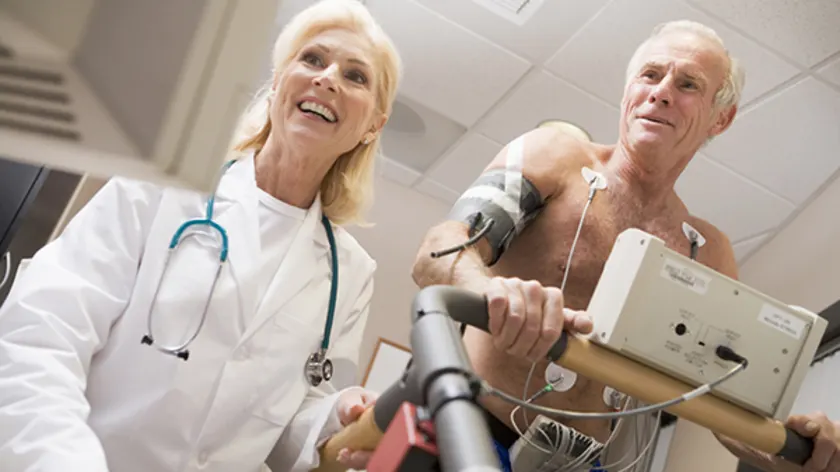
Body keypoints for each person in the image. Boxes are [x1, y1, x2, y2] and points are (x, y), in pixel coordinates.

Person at [412, 20, 840, 472]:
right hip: (467, 432)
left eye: (688, 83)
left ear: (721, 116)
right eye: (650, 75)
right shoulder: (555, 157)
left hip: (581, 463)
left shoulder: (707, 251)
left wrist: (788, 446)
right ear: (627, 92)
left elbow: (726, 410)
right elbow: (439, 251)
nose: (661, 92)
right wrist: (493, 292)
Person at [0, 1, 401, 471]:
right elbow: (42, 330)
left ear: (373, 125)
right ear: (277, 82)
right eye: (312, 59)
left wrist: (335, 416)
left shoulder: (350, 273)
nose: (328, 78)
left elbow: (291, 421)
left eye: (356, 76)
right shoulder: (159, 187)